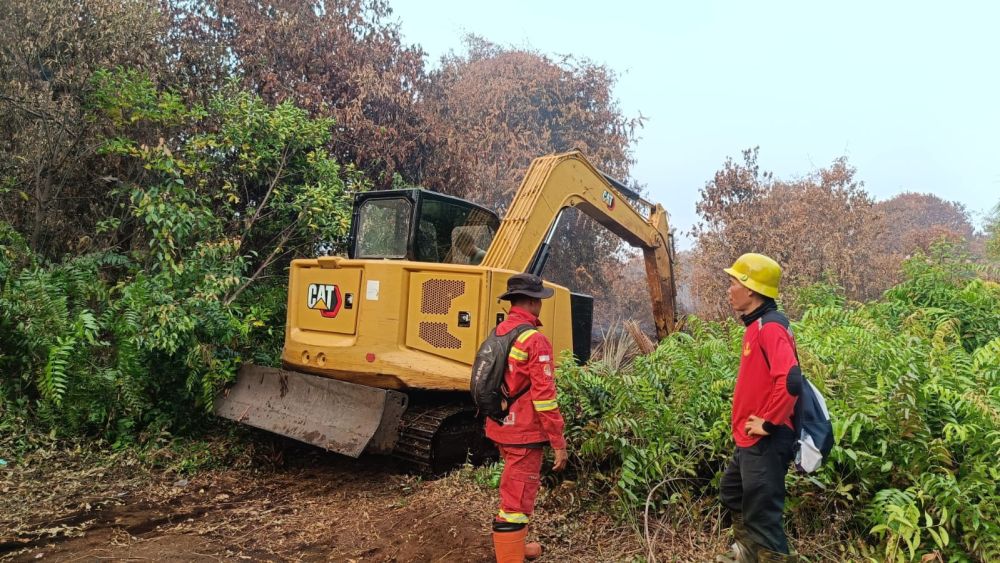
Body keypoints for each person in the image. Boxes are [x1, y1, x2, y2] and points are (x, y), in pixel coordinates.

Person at [718, 253, 801, 563]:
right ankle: (747, 553)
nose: (729, 289)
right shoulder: (756, 325)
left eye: (733, 283)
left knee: (763, 517)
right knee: (733, 492)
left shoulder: (770, 327)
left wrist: (767, 422)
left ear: (751, 289)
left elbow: (791, 380)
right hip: (750, 439)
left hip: (767, 439)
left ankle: (769, 556)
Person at [487, 273, 568, 563]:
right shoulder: (534, 340)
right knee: (517, 499)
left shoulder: (499, 332)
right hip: (523, 431)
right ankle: (510, 557)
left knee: (514, 486)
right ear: (534, 302)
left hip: (500, 424)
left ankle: (517, 547)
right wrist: (558, 441)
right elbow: (544, 399)